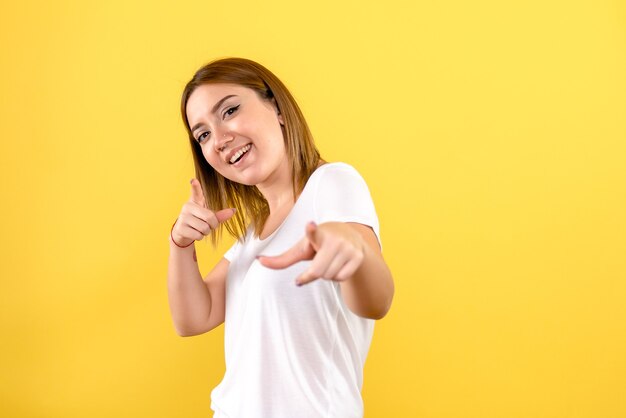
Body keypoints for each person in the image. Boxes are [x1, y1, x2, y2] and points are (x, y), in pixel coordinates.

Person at [167, 57, 394, 418]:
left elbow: (376, 301)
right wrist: (179, 244)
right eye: (203, 135)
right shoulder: (256, 230)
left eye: (229, 111)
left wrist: (356, 256)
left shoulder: (331, 183)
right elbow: (194, 318)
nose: (220, 140)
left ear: (277, 108)